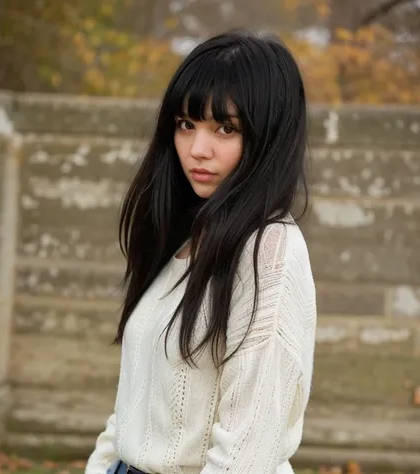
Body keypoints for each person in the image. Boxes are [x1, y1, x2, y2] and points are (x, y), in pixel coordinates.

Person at [85, 30, 317, 474]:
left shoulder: (269, 251)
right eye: (186, 124)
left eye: (226, 129)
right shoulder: (186, 238)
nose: (197, 150)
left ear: (269, 138)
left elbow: (246, 451)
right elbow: (134, 406)